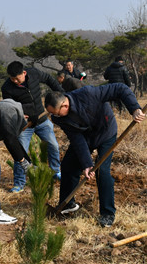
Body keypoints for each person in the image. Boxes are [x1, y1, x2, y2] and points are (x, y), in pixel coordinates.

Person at [44, 84, 145, 227]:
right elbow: (76, 139)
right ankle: (67, 204)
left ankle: (107, 214)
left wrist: (134, 108)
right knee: (68, 165)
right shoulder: (59, 118)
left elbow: (120, 88)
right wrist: (86, 164)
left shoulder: (88, 93)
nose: (54, 117)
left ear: (65, 105)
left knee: (102, 171)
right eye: (52, 114)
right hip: (85, 138)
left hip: (106, 132)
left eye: (56, 113)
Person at [1, 61, 64, 193]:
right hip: (25, 125)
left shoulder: (34, 73)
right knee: (20, 152)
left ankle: (55, 172)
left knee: (53, 145)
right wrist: (22, 115)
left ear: (24, 73)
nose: (15, 81)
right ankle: (19, 183)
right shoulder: (7, 87)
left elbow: (48, 78)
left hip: (42, 120)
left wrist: (60, 92)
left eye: (17, 78)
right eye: (12, 79)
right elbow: (9, 106)